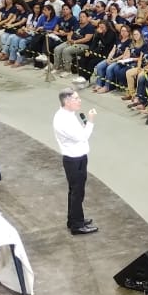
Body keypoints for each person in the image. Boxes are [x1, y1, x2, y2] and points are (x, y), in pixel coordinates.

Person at [52, 88, 99, 235]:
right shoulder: (63, 120)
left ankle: (74, 219)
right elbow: (81, 137)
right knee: (77, 192)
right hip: (74, 159)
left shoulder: (69, 115)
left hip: (77, 157)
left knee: (76, 191)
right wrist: (90, 121)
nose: (80, 101)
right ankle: (77, 225)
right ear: (67, 101)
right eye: (76, 99)